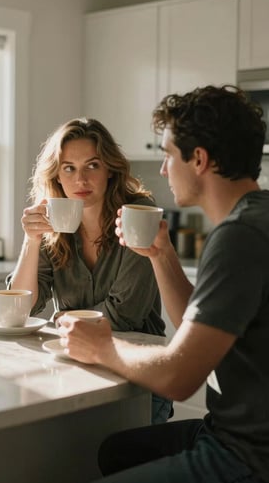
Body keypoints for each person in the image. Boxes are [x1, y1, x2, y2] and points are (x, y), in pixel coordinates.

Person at [58, 85, 269, 483]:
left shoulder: (239, 236)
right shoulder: (252, 218)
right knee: (114, 451)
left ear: (199, 160)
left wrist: (104, 346)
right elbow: (197, 325)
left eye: (168, 155)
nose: (162, 168)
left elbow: (178, 378)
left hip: (247, 455)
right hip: (226, 430)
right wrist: (161, 255)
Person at [7, 117, 172, 424]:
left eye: (92, 165)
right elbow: (19, 308)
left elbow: (124, 315)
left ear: (110, 169)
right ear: (57, 175)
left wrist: (62, 319)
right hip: (73, 371)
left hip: (138, 378)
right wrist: (31, 241)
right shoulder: (55, 223)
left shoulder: (137, 214)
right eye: (69, 167)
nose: (80, 179)